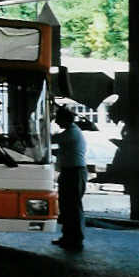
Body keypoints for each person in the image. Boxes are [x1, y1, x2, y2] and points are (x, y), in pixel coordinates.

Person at [51, 107, 87, 252]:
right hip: (70, 172)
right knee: (67, 206)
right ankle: (68, 237)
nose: (56, 122)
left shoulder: (71, 133)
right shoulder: (72, 132)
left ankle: (76, 239)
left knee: (73, 206)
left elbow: (50, 139)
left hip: (74, 172)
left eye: (58, 119)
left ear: (65, 119)